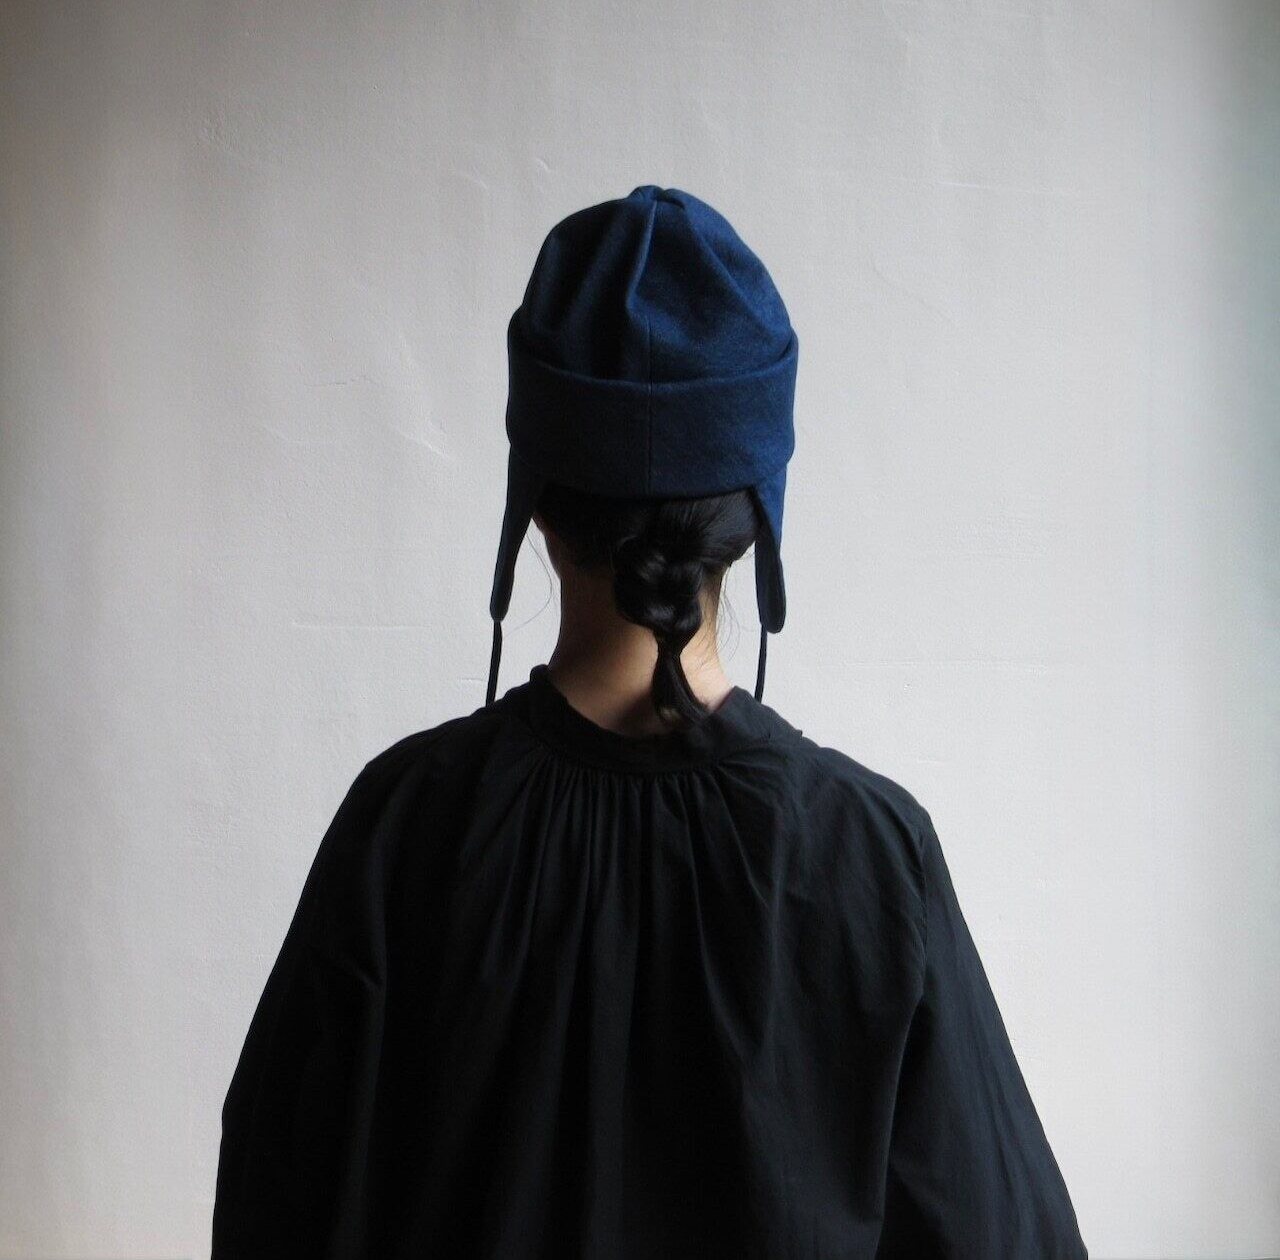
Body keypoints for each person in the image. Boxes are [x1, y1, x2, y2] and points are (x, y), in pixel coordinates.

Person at [211, 185, 1088, 1258]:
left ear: (535, 504)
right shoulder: (870, 851)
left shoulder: (405, 825)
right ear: (755, 515)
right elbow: (1004, 1234)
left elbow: (275, 1210)